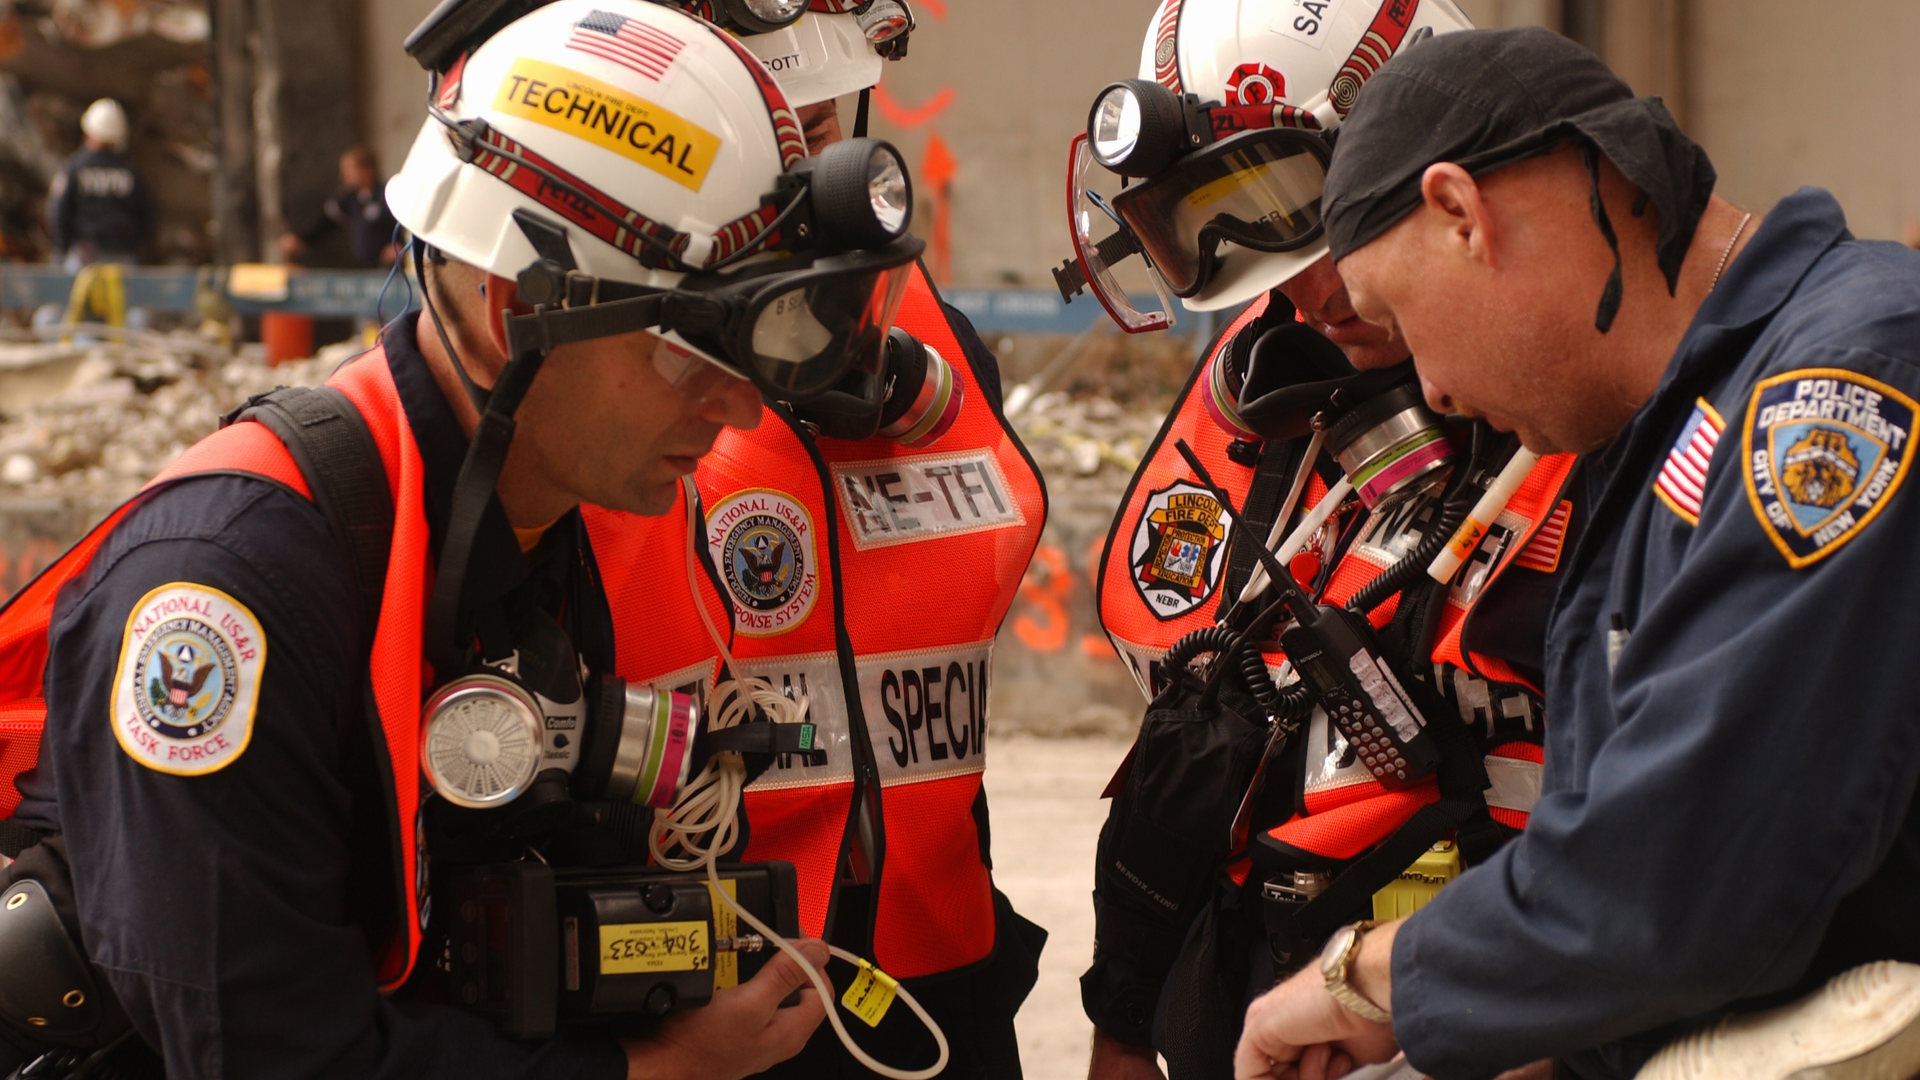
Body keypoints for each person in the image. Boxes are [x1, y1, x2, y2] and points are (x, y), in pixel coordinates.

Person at [0, 1, 938, 1075]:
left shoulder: (529, 524)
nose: (735, 413)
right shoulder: (228, 590)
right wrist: (655, 1074)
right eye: (693, 355)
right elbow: (269, 1051)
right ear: (513, 310)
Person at [1233, 25, 1920, 1080]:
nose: (1433, 391)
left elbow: (1694, 874)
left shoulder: (1839, 391)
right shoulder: (1661, 436)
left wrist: (1375, 977)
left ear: (1463, 213)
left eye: (1399, 321)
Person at [1059, 4, 1579, 1078]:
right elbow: (1185, 750)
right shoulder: (1264, 395)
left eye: (1315, 221)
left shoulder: (1595, 403)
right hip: (1261, 1013)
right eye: (1235, 228)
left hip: (1528, 1015)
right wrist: (1123, 1024)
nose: (1305, 288)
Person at [592, 5, 1052, 1077]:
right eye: (759, 119)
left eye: (813, 115)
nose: (794, 158)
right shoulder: (595, 357)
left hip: (941, 962)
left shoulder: (939, 346)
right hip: (705, 974)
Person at [46, 98, 153, 270]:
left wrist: (63, 248)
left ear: (88, 131)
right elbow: (148, 217)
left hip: (83, 258)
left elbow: (58, 212)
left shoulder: (74, 168)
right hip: (123, 259)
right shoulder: (131, 172)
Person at [279, 145, 400, 268]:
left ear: (366, 170)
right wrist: (300, 238)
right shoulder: (349, 199)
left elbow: (404, 224)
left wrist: (399, 245)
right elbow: (326, 220)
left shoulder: (386, 195)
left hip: (390, 268)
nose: (344, 175)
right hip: (363, 268)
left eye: (349, 169)